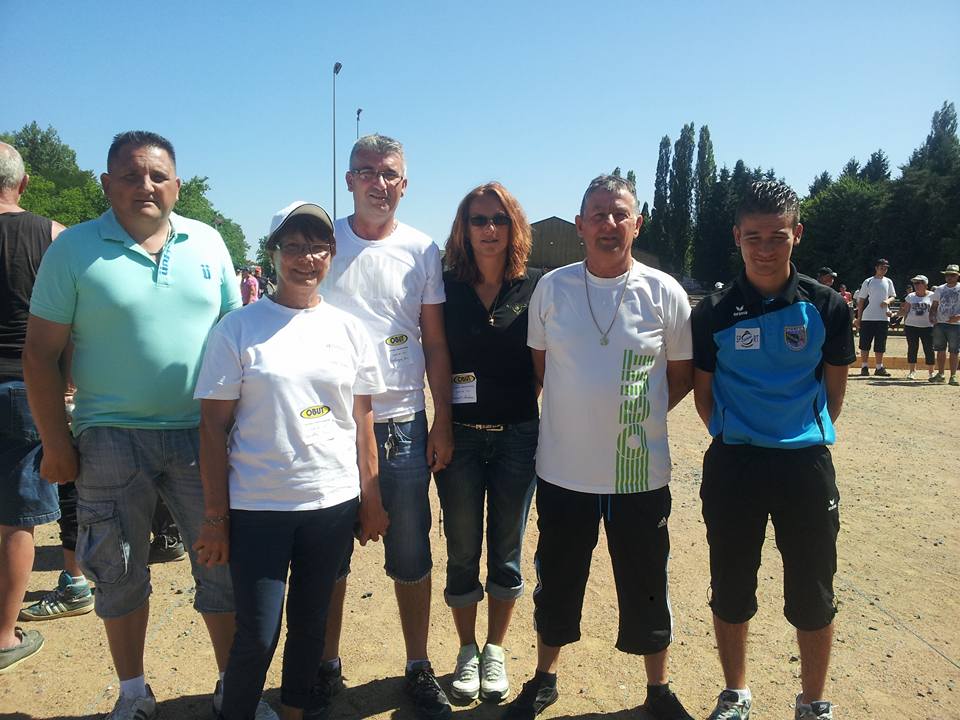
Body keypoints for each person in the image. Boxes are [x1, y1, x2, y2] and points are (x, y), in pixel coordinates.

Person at [23, 131, 242, 719]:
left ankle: (232, 688)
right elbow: (40, 355)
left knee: (222, 567)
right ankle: (133, 692)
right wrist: (54, 443)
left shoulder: (208, 243)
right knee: (118, 571)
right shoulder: (73, 251)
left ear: (176, 183)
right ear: (107, 182)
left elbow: (237, 343)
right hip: (110, 437)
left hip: (203, 436)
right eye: (130, 174)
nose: (145, 186)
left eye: (158, 176)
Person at [504, 175, 694, 720]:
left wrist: (632, 416)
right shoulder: (552, 289)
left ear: (637, 223)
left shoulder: (665, 292)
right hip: (564, 470)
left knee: (646, 579)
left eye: (620, 214)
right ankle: (544, 678)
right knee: (558, 578)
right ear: (581, 224)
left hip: (640, 472)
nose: (609, 225)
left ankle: (657, 690)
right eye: (598, 215)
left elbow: (677, 378)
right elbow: (541, 371)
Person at [194, 201, 387, 720]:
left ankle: (297, 711)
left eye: (318, 246)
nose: (307, 258)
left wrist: (372, 499)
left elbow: (362, 422)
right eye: (294, 247)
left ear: (332, 254)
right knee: (256, 635)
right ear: (273, 253)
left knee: (310, 625)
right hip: (259, 505)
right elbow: (212, 428)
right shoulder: (237, 329)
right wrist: (215, 518)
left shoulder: (349, 330)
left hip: (331, 502)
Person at [691, 181, 854, 720]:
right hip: (735, 463)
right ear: (736, 237)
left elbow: (834, 392)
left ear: (797, 235)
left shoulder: (827, 307)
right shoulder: (713, 310)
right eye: (753, 236)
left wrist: (797, 433)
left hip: (804, 467)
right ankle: (735, 693)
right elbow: (704, 395)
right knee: (731, 584)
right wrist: (738, 432)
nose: (765, 248)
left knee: (812, 589)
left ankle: (812, 702)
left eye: (777, 236)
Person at [316, 134, 454, 720]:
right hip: (326, 426)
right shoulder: (324, 242)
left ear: (405, 184)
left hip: (401, 422)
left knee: (410, 551)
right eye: (366, 171)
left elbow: (436, 341)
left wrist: (442, 419)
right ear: (349, 180)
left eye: (389, 173)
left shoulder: (422, 250)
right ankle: (325, 665)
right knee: (327, 558)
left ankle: (418, 664)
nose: (378, 182)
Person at [435, 183, 541, 703]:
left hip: (519, 437)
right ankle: (467, 649)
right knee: (460, 548)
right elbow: (430, 353)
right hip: (461, 440)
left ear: (513, 225)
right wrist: (441, 423)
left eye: (499, 219)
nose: (489, 229)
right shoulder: (444, 286)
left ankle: (495, 649)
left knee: (507, 550)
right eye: (478, 220)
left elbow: (545, 366)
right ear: (464, 227)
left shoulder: (534, 287)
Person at [0, 142, 67, 672]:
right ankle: (4, 634)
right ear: (22, 185)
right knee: (16, 516)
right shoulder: (50, 235)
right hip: (27, 382)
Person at [854, 258, 896, 376]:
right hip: (868, 316)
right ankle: (864, 366)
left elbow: (893, 296)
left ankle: (879, 367)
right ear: (876, 268)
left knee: (880, 343)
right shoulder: (868, 281)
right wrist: (859, 317)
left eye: (886, 268)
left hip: (883, 317)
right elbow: (861, 300)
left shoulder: (888, 281)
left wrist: (888, 301)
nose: (884, 270)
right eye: (882, 267)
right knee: (865, 343)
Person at [898, 274, 935, 380]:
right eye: (915, 283)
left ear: (925, 284)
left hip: (928, 327)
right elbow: (905, 310)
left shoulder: (932, 296)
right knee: (912, 348)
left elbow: (936, 310)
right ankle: (912, 371)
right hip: (911, 326)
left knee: (929, 349)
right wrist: (894, 314)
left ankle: (931, 372)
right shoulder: (910, 296)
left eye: (919, 283)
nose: (916, 285)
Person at [929, 263, 960, 385]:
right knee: (940, 350)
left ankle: (953, 376)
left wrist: (958, 316)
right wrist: (932, 315)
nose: (949, 277)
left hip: (956, 324)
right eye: (947, 275)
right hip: (940, 323)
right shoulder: (939, 289)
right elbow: (934, 305)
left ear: (957, 276)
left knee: (954, 351)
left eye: (952, 275)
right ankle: (940, 374)